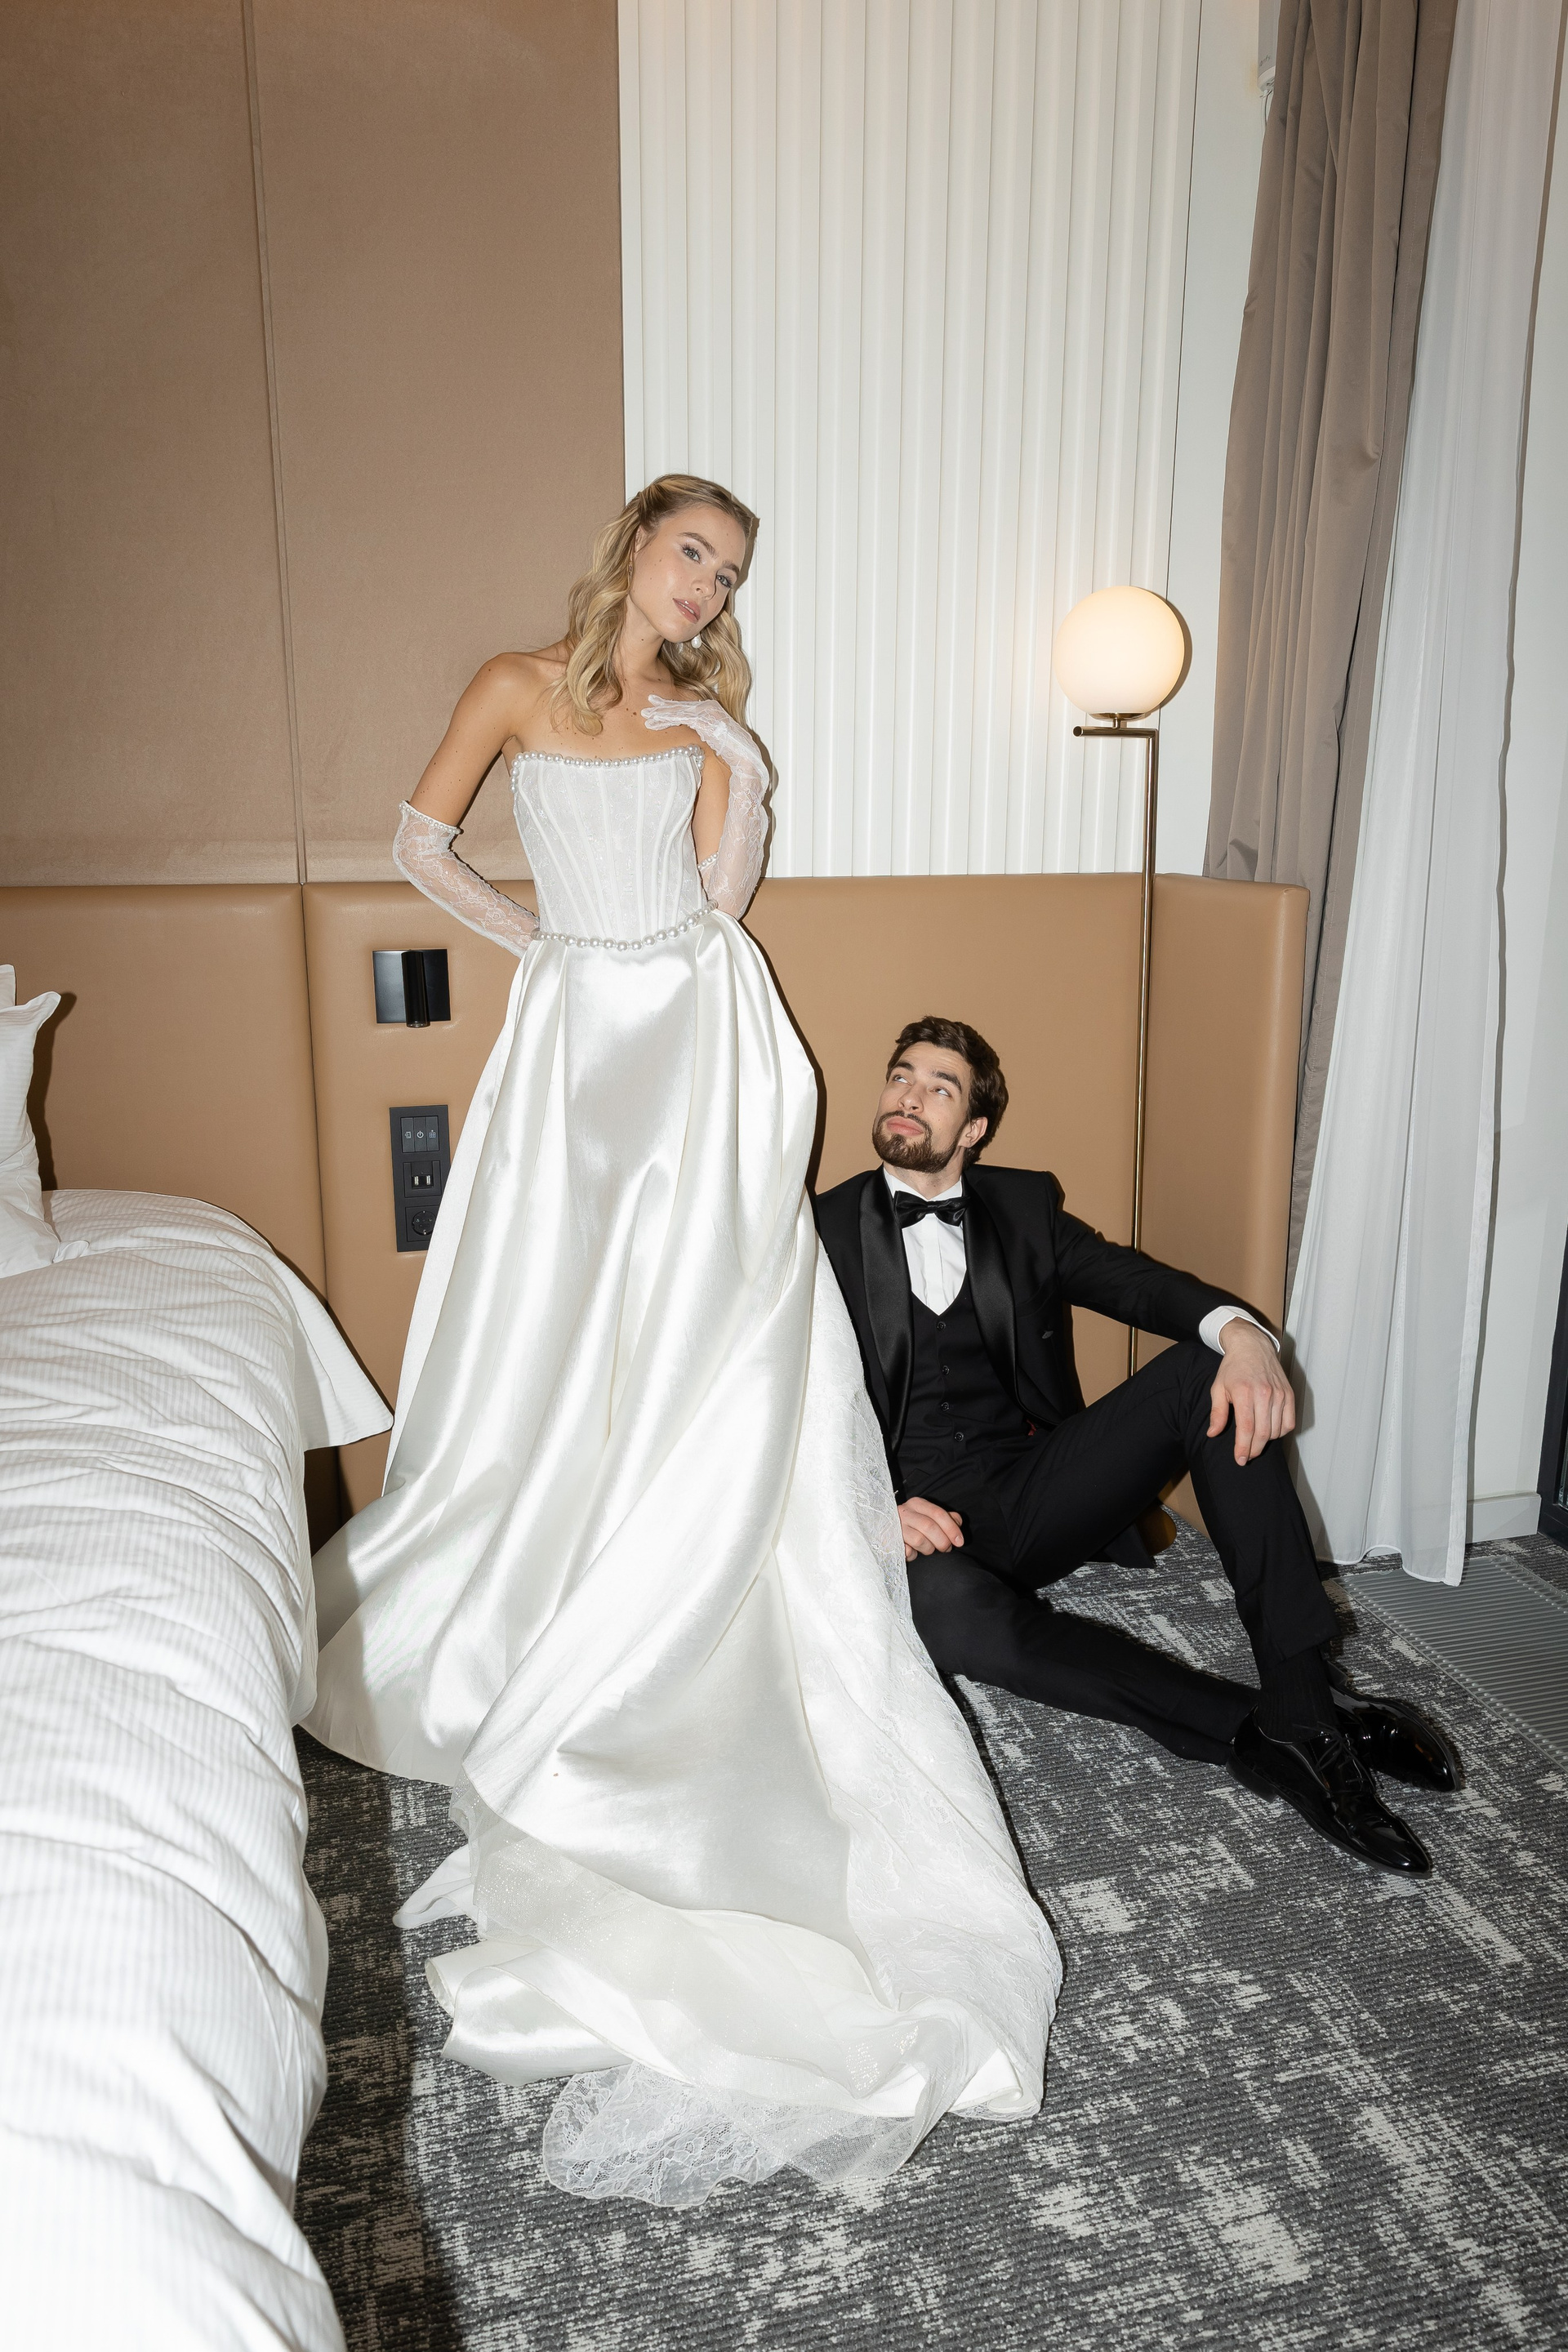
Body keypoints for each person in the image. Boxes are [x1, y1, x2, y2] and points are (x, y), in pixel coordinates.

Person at [303, 479, 1057, 2208]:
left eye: (729, 570)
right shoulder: (516, 683)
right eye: (692, 552)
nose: (708, 585)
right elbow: (419, 841)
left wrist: (742, 767)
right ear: (634, 546)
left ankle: (689, 1574)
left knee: (712, 1339)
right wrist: (548, 949)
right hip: (582, 1038)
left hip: (703, 1030)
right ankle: (546, 1587)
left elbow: (721, 898)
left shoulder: (707, 711)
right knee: (555, 1336)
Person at [813, 1018, 1462, 1878]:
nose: (910, 1096)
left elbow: (1140, 1286)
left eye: (941, 1087)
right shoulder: (814, 1230)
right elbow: (767, 1406)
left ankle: (1303, 1699)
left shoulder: (1022, 1208)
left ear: (973, 1128)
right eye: (902, 1076)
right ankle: (1285, 1730)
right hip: (913, 1525)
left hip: (1036, 1489)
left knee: (1210, 1371)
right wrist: (871, 1506)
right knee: (964, 1626)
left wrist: (1244, 1335)